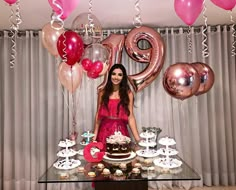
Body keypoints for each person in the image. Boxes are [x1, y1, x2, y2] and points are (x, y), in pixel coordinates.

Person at [93, 64, 140, 150]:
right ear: (110, 75)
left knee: (121, 160)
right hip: (104, 132)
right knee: (103, 161)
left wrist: (138, 140)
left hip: (121, 134)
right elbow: (98, 115)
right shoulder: (102, 93)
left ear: (123, 77)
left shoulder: (128, 94)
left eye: (120, 75)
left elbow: (131, 117)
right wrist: (94, 136)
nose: (116, 77)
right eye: (113, 74)